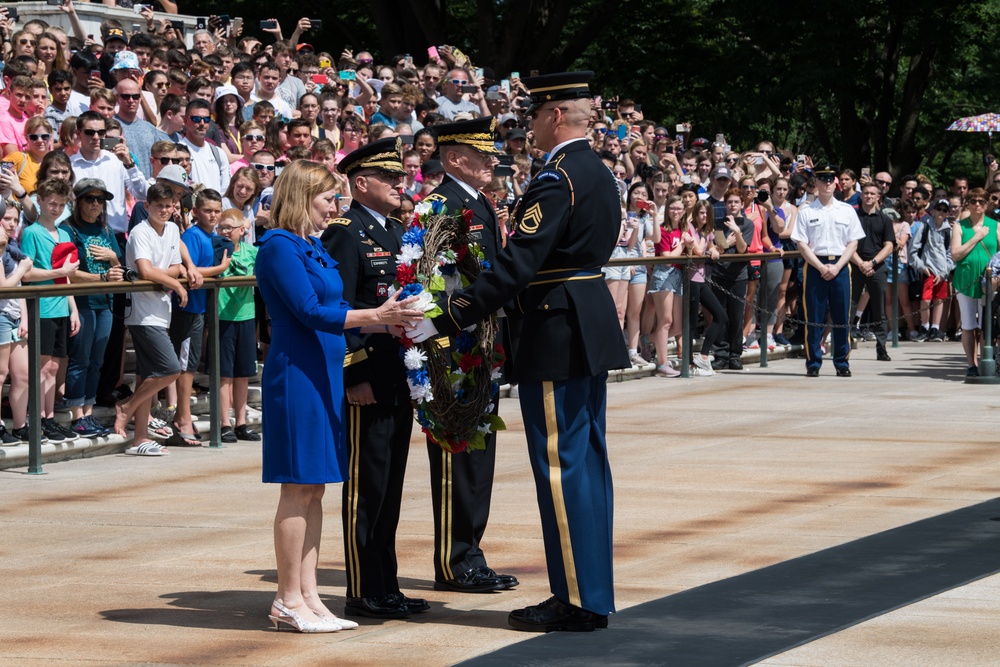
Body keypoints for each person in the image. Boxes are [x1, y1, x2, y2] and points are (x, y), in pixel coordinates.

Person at [407, 71, 629, 632]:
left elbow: (519, 263)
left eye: (533, 116)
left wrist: (450, 313)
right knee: (587, 464)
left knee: (561, 468)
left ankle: (576, 598)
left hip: (557, 326)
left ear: (556, 116)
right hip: (583, 318)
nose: (528, 127)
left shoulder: (558, 176)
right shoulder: (597, 172)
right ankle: (589, 591)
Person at [255, 159, 421, 633]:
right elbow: (309, 311)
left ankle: (308, 594)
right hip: (298, 373)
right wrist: (375, 317)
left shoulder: (308, 244)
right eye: (329, 198)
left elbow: (338, 302)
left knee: (315, 488)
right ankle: (288, 598)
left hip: (323, 370)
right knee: (297, 487)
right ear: (302, 196)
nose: (335, 208)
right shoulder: (279, 246)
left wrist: (386, 317)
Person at [320, 138, 431, 620]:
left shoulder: (395, 230)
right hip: (369, 374)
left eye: (400, 177)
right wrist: (354, 374)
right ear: (361, 183)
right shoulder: (347, 233)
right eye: (389, 178)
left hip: (400, 372)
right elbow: (337, 310)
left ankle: (387, 583)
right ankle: (363, 588)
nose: (399, 183)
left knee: (390, 484)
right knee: (368, 485)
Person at [420, 116, 518, 594]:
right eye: (484, 155)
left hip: (482, 345)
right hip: (452, 351)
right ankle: (454, 561)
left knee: (479, 453)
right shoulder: (440, 205)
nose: (492, 161)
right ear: (456, 158)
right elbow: (428, 282)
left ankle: (472, 553)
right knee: (454, 452)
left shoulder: (479, 203)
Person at [112, 183, 187, 456]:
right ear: (147, 207)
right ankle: (127, 406)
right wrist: (176, 285)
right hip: (142, 313)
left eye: (169, 206)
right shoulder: (140, 232)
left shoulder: (173, 229)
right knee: (170, 369)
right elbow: (144, 270)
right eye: (160, 206)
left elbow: (176, 267)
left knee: (147, 375)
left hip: (161, 309)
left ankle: (139, 439)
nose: (165, 211)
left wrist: (163, 275)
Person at [791, 164, 866, 377]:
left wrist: (838, 266)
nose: (826, 184)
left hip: (840, 266)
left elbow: (853, 243)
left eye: (830, 179)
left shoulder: (846, 210)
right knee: (814, 317)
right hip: (816, 266)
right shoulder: (806, 211)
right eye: (822, 179)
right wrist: (821, 266)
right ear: (816, 183)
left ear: (835, 183)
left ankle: (842, 362)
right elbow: (802, 244)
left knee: (842, 317)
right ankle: (813, 362)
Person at [62, 178, 123, 437]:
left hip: (105, 303)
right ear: (78, 201)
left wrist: (113, 259)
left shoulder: (106, 231)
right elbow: (69, 274)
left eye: (100, 199)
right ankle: (77, 415)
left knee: (97, 360)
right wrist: (101, 279)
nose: (96, 204)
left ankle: (89, 411)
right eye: (90, 198)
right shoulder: (69, 230)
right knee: (81, 359)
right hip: (82, 302)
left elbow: (118, 268)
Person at [216, 209, 259, 443]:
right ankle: (224, 423)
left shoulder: (253, 251)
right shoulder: (217, 250)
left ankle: (241, 422)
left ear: (242, 230)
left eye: (229, 228)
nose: (224, 231)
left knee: (243, 373)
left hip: (246, 315)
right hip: (223, 315)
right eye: (221, 227)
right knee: (225, 375)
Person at [950, 187, 999, 377]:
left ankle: (989, 362)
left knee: (988, 324)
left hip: (990, 282)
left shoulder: (995, 226)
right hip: (966, 280)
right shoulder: (959, 226)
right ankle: (972, 364)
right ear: (967, 204)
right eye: (973, 201)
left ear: (986, 204)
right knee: (969, 325)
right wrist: (976, 237)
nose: (977, 204)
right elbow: (956, 254)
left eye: (981, 201)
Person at [850, 182, 895, 362]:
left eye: (872, 194)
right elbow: (847, 243)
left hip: (877, 267)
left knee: (879, 309)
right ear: (861, 196)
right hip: (855, 264)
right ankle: (845, 343)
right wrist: (861, 263)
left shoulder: (885, 219)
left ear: (878, 197)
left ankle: (881, 347)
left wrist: (873, 263)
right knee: (849, 306)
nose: (868, 196)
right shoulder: (853, 217)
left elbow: (889, 245)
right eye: (866, 193)